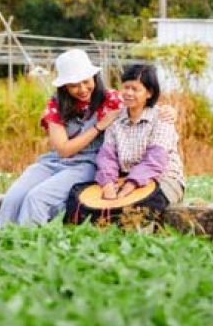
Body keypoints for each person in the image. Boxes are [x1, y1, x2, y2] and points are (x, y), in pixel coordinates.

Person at [0, 49, 123, 227]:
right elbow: (63, 150)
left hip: (88, 164)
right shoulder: (56, 104)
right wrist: (98, 126)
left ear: (95, 77)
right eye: (73, 85)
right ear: (64, 87)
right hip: (54, 161)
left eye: (86, 81)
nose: (82, 89)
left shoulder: (112, 99)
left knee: (37, 198)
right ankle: (0, 242)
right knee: (14, 196)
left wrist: (165, 112)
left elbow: (143, 107)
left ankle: (27, 247)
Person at [68, 64, 185, 218]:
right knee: (77, 198)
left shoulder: (161, 118)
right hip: (123, 179)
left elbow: (155, 160)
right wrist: (108, 184)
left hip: (163, 179)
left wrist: (130, 185)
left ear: (149, 93)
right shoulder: (116, 119)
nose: (128, 93)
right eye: (126, 87)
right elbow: (106, 157)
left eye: (135, 89)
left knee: (137, 208)